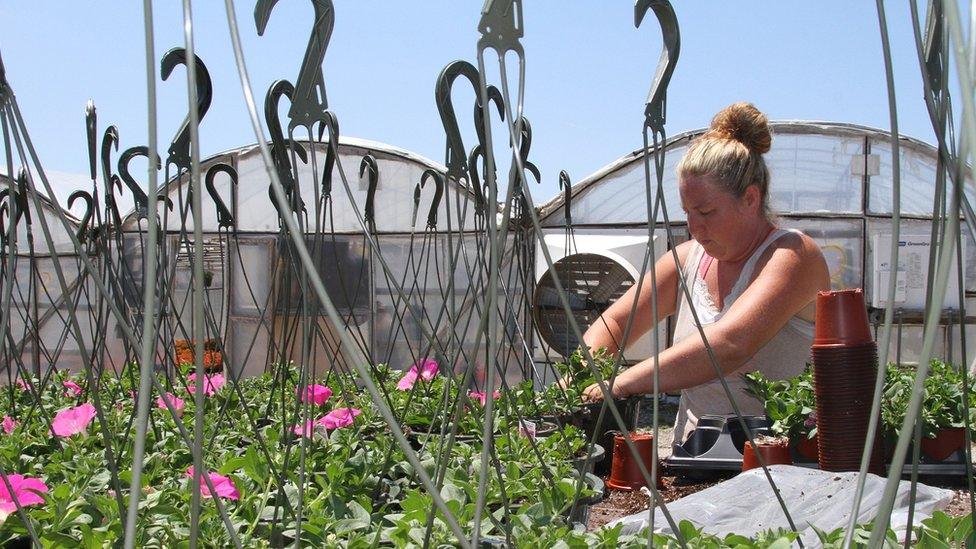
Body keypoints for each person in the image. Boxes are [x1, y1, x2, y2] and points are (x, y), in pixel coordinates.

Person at [580, 102, 830, 444]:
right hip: (693, 456)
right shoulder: (685, 261)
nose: (694, 227)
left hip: (775, 459)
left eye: (707, 211)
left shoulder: (794, 256)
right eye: (687, 212)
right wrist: (580, 373)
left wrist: (622, 383)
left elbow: (729, 344)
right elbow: (616, 324)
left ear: (750, 199)